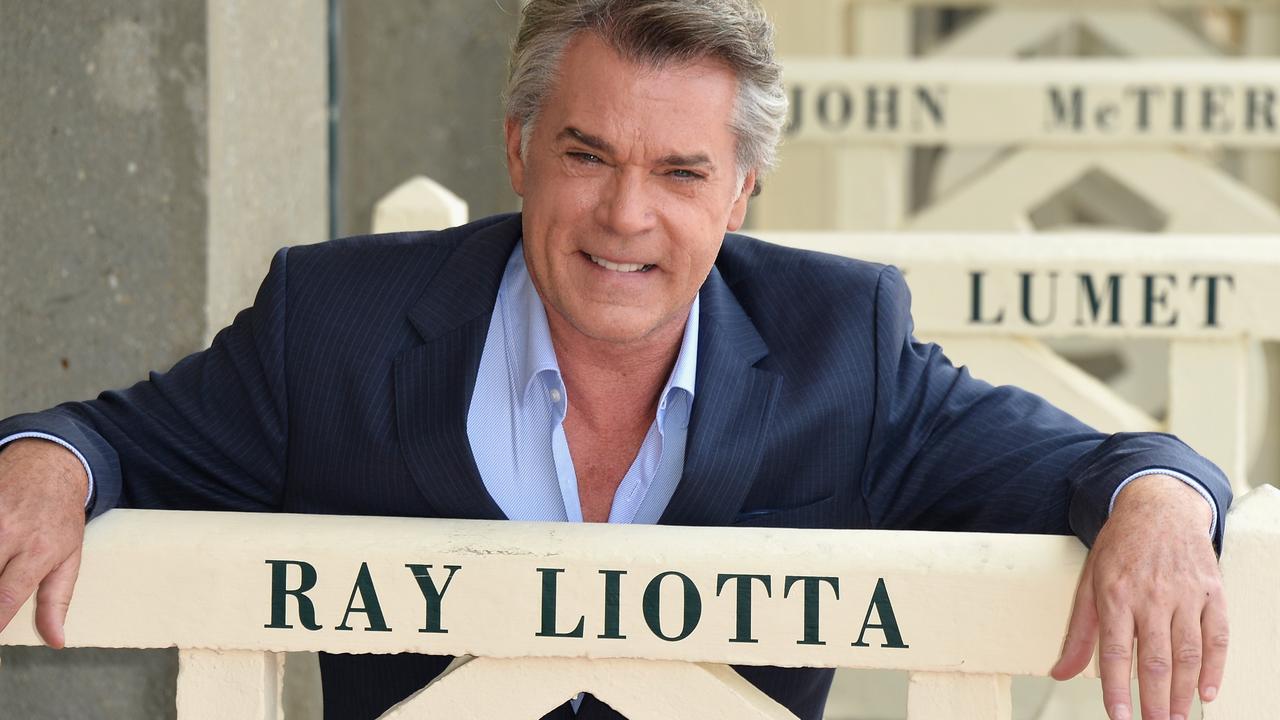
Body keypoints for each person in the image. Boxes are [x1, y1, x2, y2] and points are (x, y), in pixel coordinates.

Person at [0, 1, 1230, 719]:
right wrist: (50, 464)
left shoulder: (837, 345)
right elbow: (109, 438)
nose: (625, 217)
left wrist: (1162, 504)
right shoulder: (339, 321)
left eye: (682, 172)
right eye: (586, 155)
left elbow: (1105, 461)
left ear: (741, 191)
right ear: (518, 147)